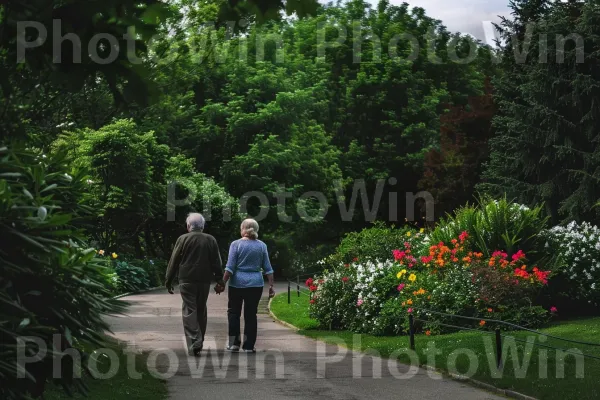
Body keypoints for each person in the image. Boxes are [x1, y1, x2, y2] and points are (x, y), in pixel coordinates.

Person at [165, 213, 225, 356]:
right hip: (204, 280)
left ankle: (194, 340)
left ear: (188, 226)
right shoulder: (210, 239)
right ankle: (199, 341)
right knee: (201, 309)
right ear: (202, 226)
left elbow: (174, 261)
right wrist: (220, 280)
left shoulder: (183, 239)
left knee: (189, 310)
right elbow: (216, 261)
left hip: (186, 279)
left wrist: (168, 280)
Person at [223, 218, 275, 353]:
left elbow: (230, 267)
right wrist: (271, 286)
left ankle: (234, 344)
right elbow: (268, 268)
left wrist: (222, 283)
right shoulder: (262, 246)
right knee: (251, 314)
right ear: (256, 230)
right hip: (255, 284)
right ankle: (249, 346)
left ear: (243, 229)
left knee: (234, 313)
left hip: (236, 284)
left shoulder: (235, 244)